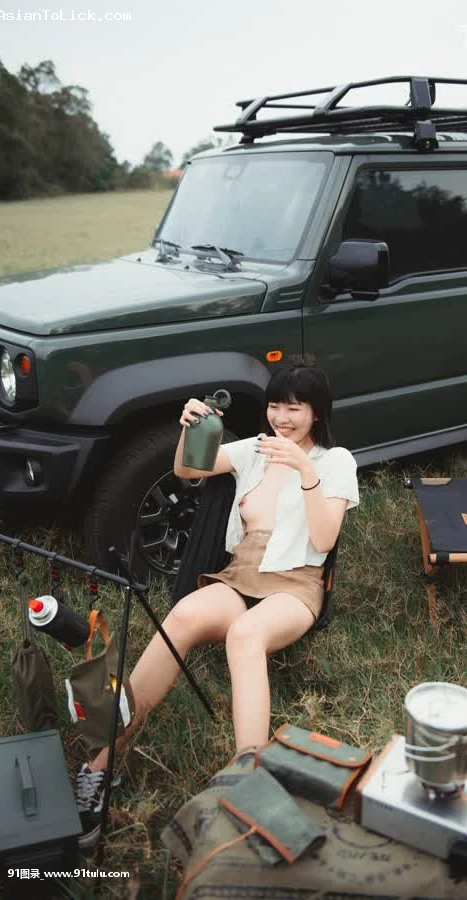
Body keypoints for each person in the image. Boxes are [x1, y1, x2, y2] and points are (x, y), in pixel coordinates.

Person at [75, 360, 359, 848]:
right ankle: (102, 762)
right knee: (182, 616)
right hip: (241, 573)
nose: (282, 418)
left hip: (295, 584)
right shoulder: (255, 449)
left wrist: (304, 469)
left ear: (317, 412)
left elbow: (324, 538)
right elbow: (188, 468)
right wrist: (190, 429)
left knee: (245, 636)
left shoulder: (335, 462)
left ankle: (250, 777)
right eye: (275, 406)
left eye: (294, 408)